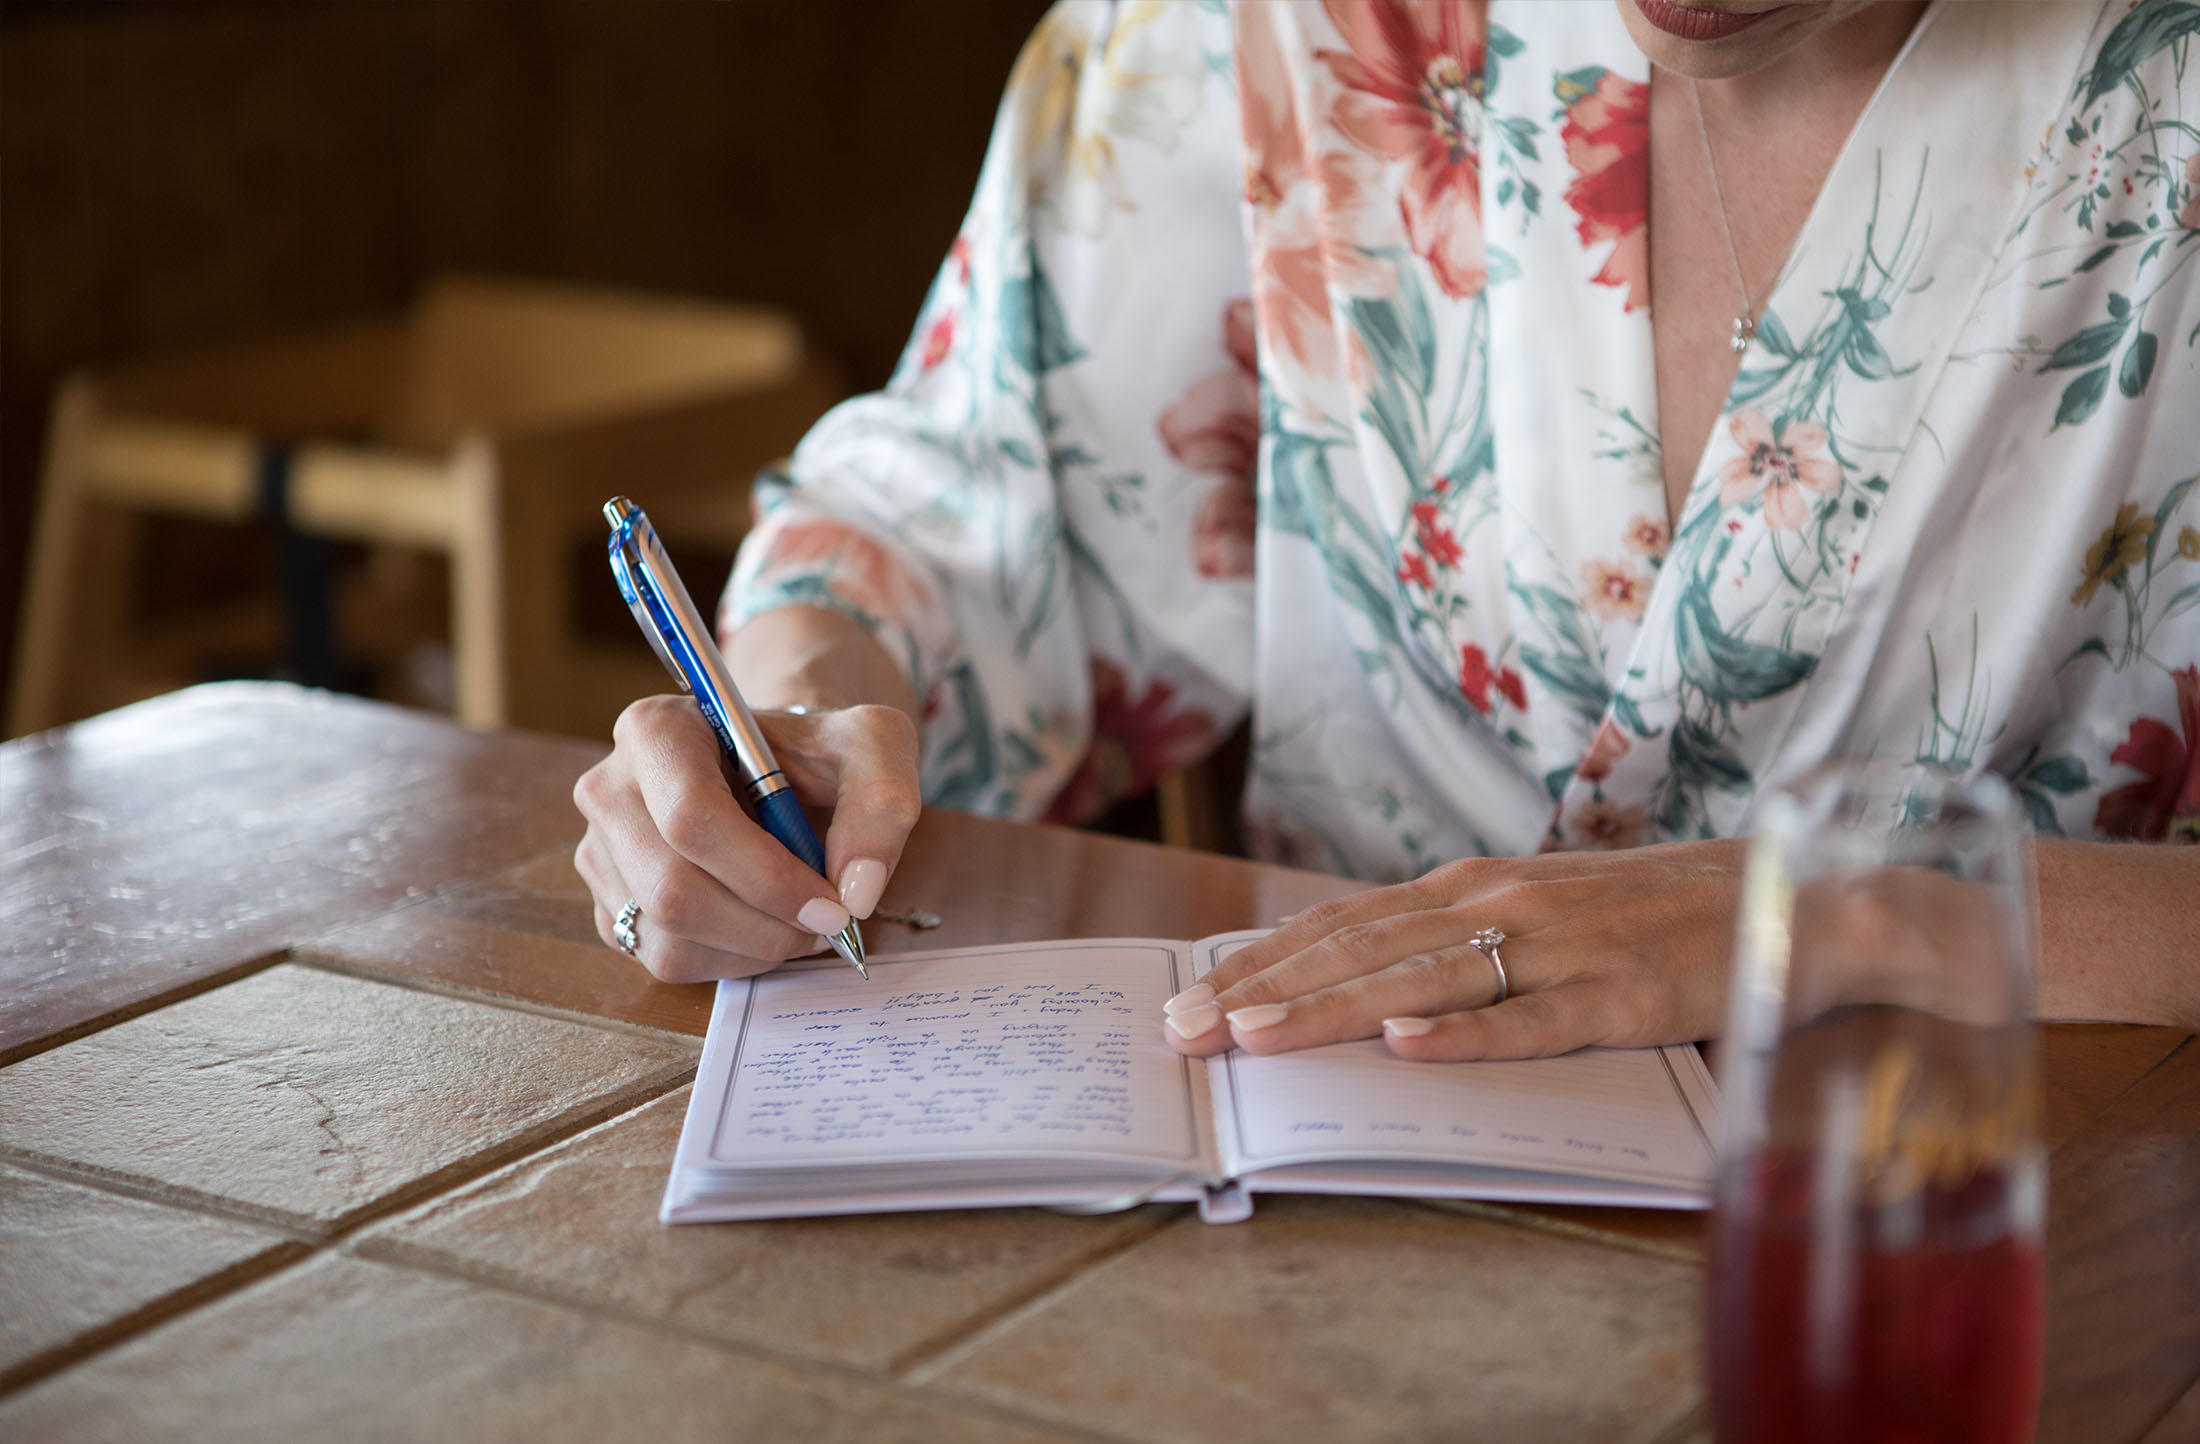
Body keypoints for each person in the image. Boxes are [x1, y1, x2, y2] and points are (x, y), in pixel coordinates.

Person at [572, 0, 2200, 1061]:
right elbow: (937, 522)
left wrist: (1817, 916)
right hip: (1325, 1218)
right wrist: (781, 730)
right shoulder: (1264, 29)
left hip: (2023, 1247)